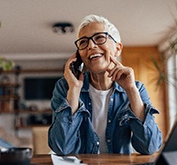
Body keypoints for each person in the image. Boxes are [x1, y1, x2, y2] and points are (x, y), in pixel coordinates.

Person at [48, 14, 162, 155]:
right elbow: (61, 147)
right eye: (83, 42)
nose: (91, 45)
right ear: (79, 55)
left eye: (99, 38)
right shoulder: (65, 87)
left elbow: (149, 147)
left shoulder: (136, 89)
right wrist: (74, 90)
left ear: (118, 48)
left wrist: (131, 90)